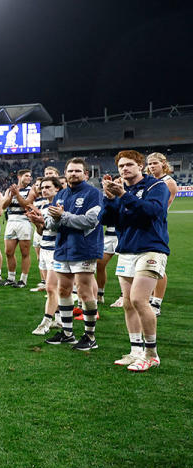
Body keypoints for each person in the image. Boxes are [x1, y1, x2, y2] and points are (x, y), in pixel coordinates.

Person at [101, 150, 170, 371]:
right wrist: (109, 199)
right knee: (128, 303)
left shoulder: (155, 186)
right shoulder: (122, 190)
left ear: (140, 165)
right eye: (121, 166)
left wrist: (124, 196)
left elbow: (154, 212)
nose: (124, 169)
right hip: (127, 250)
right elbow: (107, 220)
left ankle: (151, 354)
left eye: (129, 164)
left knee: (140, 300)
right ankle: (135, 350)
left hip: (151, 248)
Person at [41, 158, 103, 350]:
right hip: (62, 248)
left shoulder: (93, 193)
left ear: (85, 174)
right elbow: (53, 225)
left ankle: (90, 336)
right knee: (63, 290)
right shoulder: (60, 195)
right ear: (65, 174)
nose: (73, 174)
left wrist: (62, 216)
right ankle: (67, 333)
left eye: (77, 171)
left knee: (84, 292)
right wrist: (52, 220)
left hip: (83, 248)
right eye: (70, 171)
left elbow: (90, 221)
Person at [26, 177, 62, 335]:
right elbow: (42, 231)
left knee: (51, 287)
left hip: (56, 250)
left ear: (57, 189)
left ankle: (46, 322)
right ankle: (59, 319)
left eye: (48, 187)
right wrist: (37, 223)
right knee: (52, 290)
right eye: (42, 187)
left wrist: (44, 222)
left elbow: (62, 227)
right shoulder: (44, 206)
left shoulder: (60, 206)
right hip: (45, 248)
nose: (44, 190)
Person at [145, 152, 177, 316]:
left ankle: (156, 303)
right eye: (149, 164)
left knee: (157, 266)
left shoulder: (168, 183)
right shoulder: (148, 181)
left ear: (164, 164)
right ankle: (148, 298)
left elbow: (161, 209)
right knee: (145, 265)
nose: (151, 166)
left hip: (156, 227)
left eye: (155, 163)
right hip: (143, 227)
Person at [0, 169, 35, 287]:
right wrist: (11, 195)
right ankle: (11, 278)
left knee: (25, 252)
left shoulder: (31, 190)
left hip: (24, 221)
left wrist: (17, 194)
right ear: (19, 176)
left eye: (30, 176)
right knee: (8, 252)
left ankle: (23, 280)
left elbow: (26, 204)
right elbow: (3, 206)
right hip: (11, 221)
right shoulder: (9, 190)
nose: (29, 178)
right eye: (26, 176)